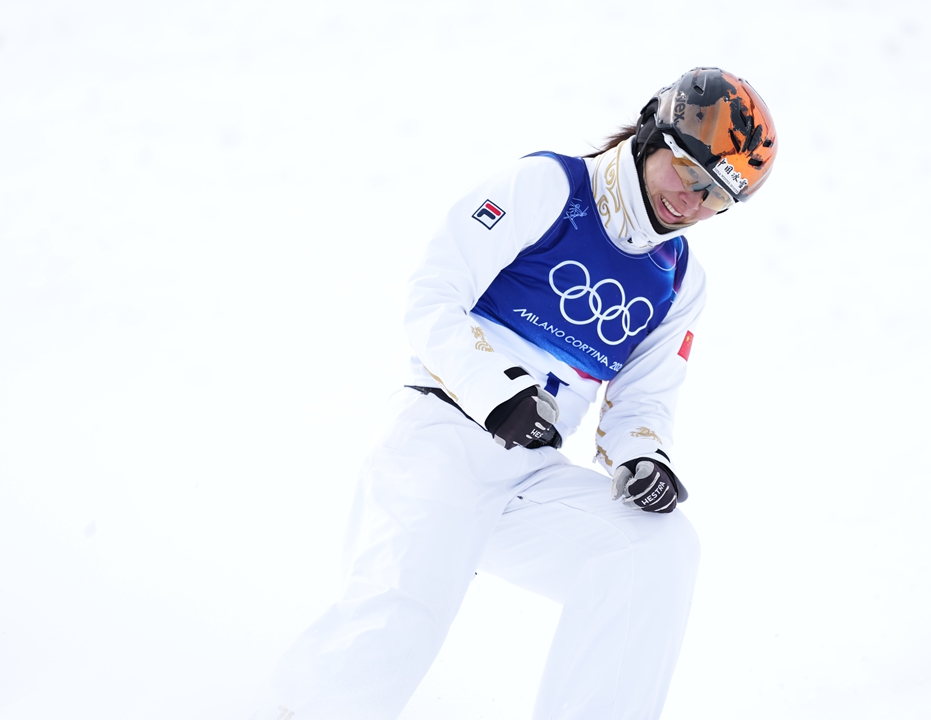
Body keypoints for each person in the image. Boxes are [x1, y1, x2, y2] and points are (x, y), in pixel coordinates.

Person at [254, 67, 777, 720]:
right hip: (442, 442)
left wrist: (644, 458)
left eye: (717, 199)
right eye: (688, 172)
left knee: (657, 549)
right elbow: (433, 294)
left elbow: (643, 402)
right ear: (655, 129)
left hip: (528, 473)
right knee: (399, 624)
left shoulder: (678, 280)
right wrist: (497, 391)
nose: (692, 203)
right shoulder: (551, 187)